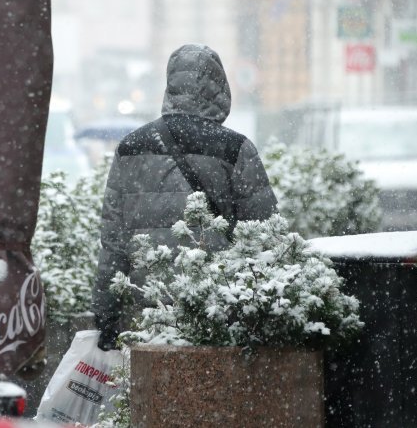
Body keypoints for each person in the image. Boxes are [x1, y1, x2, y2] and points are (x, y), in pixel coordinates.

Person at [92, 44, 278, 350]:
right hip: (219, 309)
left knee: (153, 394)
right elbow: (265, 238)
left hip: (150, 309)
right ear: (219, 87)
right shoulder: (235, 149)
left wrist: (106, 313)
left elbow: (113, 241)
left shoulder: (131, 147)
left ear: (170, 85)